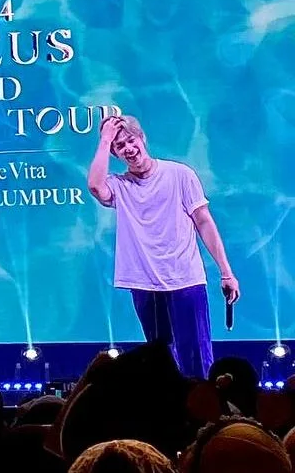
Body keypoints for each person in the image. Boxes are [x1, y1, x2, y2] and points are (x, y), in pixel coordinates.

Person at [87, 114, 241, 379]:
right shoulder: (120, 185)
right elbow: (94, 185)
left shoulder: (180, 174)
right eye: (119, 146)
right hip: (144, 284)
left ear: (142, 138)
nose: (129, 149)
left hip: (185, 279)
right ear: (114, 153)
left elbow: (204, 222)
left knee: (196, 358)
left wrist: (226, 273)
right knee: (162, 362)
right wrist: (105, 139)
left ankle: (202, 404)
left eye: (131, 141)